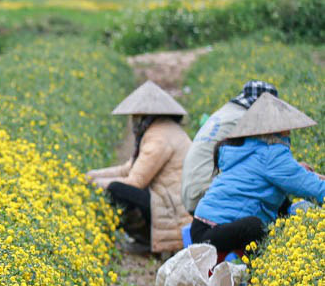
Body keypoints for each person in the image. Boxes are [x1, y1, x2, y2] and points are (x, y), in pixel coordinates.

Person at [192, 94, 325, 259]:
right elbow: (312, 188)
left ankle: (257, 275)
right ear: (276, 129)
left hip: (201, 227)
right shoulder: (271, 154)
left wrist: (299, 171)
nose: (290, 132)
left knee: (282, 210)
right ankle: (261, 276)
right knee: (255, 227)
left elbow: (284, 173)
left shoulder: (249, 148)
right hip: (212, 233)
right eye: (287, 128)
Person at [84, 81, 192, 254]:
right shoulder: (163, 129)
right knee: (116, 186)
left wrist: (98, 184)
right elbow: (129, 168)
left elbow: (135, 181)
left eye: (135, 116)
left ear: (145, 115)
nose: (133, 121)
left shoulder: (159, 136)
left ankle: (144, 238)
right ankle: (142, 237)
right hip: (172, 202)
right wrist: (91, 176)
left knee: (117, 190)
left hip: (172, 211)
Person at [181, 79, 280, 214]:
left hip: (191, 193)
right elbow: (265, 162)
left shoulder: (226, 113)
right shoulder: (245, 119)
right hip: (208, 193)